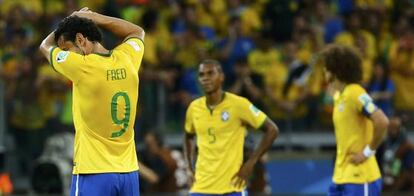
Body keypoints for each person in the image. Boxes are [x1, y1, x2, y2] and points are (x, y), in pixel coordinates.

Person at [39, 7, 145, 196]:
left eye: (67, 49)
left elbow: (45, 46)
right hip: (129, 172)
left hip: (94, 172)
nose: (66, 54)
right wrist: (94, 18)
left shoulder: (80, 66)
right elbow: (137, 31)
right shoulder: (128, 58)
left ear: (81, 40)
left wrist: (69, 20)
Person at [183, 59, 279, 195]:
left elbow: (272, 129)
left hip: (232, 187)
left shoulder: (239, 105)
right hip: (201, 188)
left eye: (210, 73)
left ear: (221, 77)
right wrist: (188, 168)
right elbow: (188, 137)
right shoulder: (194, 108)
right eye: (202, 75)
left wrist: (251, 163)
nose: (205, 78)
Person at [319, 45, 389, 196]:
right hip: (340, 176)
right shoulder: (341, 96)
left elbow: (382, 121)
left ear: (335, 70)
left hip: (360, 176)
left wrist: (368, 152)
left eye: (326, 68)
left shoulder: (355, 92)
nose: (323, 72)